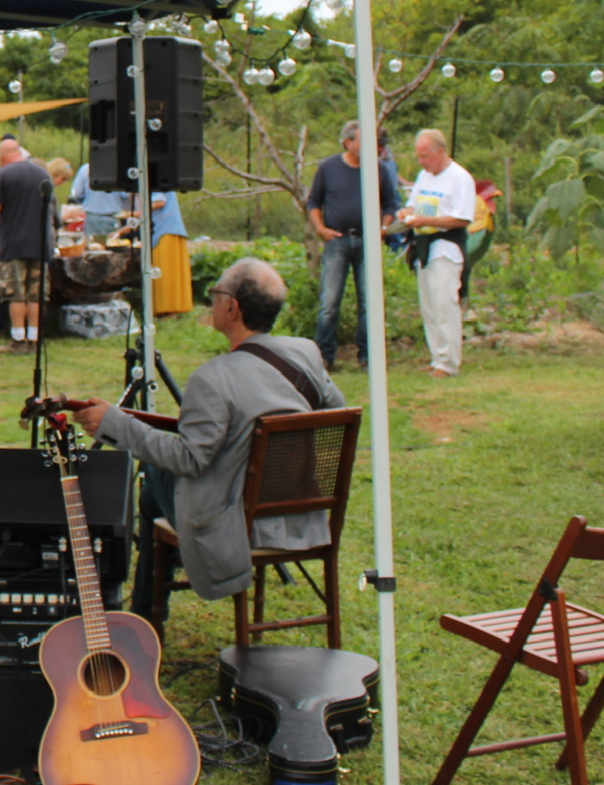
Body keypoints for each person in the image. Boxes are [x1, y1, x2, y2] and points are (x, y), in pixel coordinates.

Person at [76, 257, 345, 612]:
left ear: (231, 307)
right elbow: (335, 412)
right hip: (299, 515)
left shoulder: (213, 378)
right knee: (157, 492)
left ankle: (146, 608)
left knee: (156, 479)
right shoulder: (305, 352)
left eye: (215, 293)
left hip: (238, 520)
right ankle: (149, 598)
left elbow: (189, 458)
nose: (212, 300)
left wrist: (116, 424)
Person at [305, 120, 401, 371]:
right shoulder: (329, 167)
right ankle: (325, 357)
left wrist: (383, 227)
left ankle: (369, 357)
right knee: (330, 301)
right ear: (348, 142)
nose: (370, 146)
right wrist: (320, 229)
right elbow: (313, 201)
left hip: (367, 242)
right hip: (337, 241)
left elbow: (391, 204)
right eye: (362, 140)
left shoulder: (378, 169)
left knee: (369, 302)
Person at [400, 128, 476, 378]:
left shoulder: (459, 178)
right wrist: (407, 213)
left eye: (426, 156)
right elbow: (414, 203)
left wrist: (425, 219)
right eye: (419, 156)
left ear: (441, 151)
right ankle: (437, 357)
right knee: (429, 306)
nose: (422, 162)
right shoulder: (424, 175)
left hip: (446, 246)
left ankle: (449, 362)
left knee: (445, 305)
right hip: (423, 246)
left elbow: (463, 218)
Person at [0, 136, 56, 355]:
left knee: (16, 293)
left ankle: (18, 339)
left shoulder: (3, 175)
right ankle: (35, 338)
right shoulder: (42, 173)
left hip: (14, 242)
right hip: (40, 242)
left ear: (2, 156)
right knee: (35, 293)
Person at [147, 187, 192, 317]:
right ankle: (168, 310)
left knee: (165, 272)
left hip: (165, 231)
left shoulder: (155, 179)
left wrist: (135, 213)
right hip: (164, 230)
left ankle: (168, 310)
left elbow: (159, 202)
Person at [69, 161, 131, 237]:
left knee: (92, 244)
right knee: (111, 242)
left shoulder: (85, 170)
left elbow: (77, 193)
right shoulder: (118, 170)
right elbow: (126, 194)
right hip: (113, 216)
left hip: (91, 217)